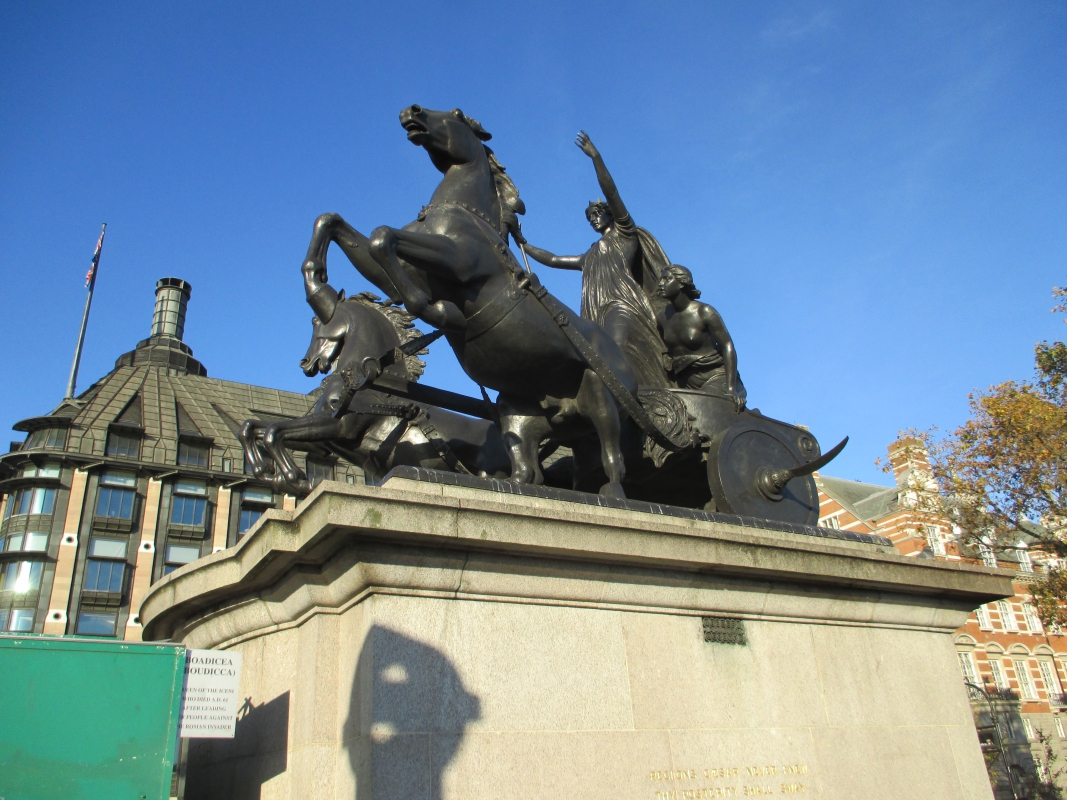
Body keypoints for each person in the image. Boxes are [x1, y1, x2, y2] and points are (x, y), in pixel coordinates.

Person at [519, 131, 671, 388]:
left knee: (614, 351)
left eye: (597, 213)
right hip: (593, 312)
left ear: (609, 214)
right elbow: (554, 259)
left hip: (622, 303)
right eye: (590, 218)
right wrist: (523, 243)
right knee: (591, 359)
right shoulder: (589, 256)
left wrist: (595, 158)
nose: (593, 220)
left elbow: (612, 193)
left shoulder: (626, 234)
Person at [656, 264, 747, 412]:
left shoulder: (704, 311)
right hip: (686, 382)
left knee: (704, 406)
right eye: (661, 279)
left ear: (681, 283)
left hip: (715, 376)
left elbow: (727, 345)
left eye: (667, 279)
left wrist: (731, 388)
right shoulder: (662, 317)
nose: (661, 284)